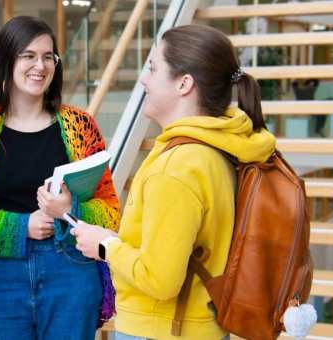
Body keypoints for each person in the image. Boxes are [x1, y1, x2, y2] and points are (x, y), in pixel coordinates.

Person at [70, 25, 276, 340]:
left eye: (153, 68)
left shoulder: (177, 167)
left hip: (161, 330)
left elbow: (161, 280)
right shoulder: (219, 148)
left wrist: (105, 245)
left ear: (183, 83)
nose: (143, 79)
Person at [0, 16, 120, 340]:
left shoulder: (80, 125)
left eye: (48, 56)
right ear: (7, 60)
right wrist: (21, 227)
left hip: (71, 272)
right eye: (29, 55)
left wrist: (69, 209)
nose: (40, 65)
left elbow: (111, 212)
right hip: (0, 275)